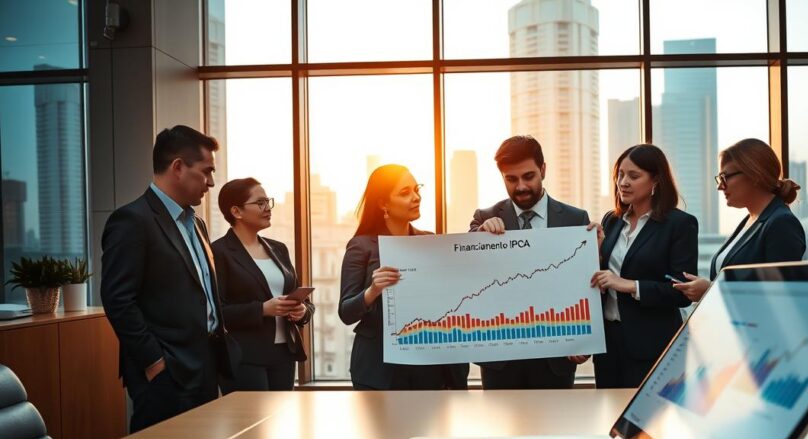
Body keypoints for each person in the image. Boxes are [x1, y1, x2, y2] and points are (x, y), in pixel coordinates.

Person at [101, 125, 238, 432]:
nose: (212, 182)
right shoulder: (132, 221)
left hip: (205, 365)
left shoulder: (196, 223)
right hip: (167, 372)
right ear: (178, 167)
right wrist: (154, 363)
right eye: (206, 171)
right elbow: (117, 299)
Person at [470, 135, 594, 390]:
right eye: (511, 179)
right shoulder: (484, 217)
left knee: (556, 429)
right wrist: (480, 236)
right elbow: (465, 270)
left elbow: (586, 285)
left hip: (557, 355)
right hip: (501, 357)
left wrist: (585, 341)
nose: (521, 187)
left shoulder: (575, 219)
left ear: (543, 170)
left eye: (528, 176)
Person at [339, 164, 469, 390]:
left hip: (427, 366)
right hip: (378, 368)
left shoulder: (429, 241)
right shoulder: (361, 246)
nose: (416, 197)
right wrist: (372, 291)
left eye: (416, 189)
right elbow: (346, 312)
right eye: (405, 192)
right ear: (383, 203)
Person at [591, 144, 699, 389]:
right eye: (620, 174)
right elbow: (603, 278)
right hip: (608, 346)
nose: (623, 182)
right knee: (607, 421)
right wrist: (596, 252)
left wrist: (631, 286)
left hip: (652, 347)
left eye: (634, 176)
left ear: (656, 180)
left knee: (650, 425)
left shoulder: (680, 224)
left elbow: (681, 293)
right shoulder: (612, 219)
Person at [211, 178, 314, 392]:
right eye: (260, 203)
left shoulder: (278, 248)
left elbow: (303, 300)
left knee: (279, 421)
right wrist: (262, 309)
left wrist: (302, 310)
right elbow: (216, 312)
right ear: (237, 211)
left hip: (284, 352)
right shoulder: (218, 252)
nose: (268, 208)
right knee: (252, 422)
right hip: (245, 355)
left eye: (268, 201)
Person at [673, 138, 806, 302]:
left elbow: (780, 296)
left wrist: (711, 292)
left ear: (754, 175)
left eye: (725, 177)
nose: (720, 186)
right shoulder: (750, 221)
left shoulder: (781, 223)